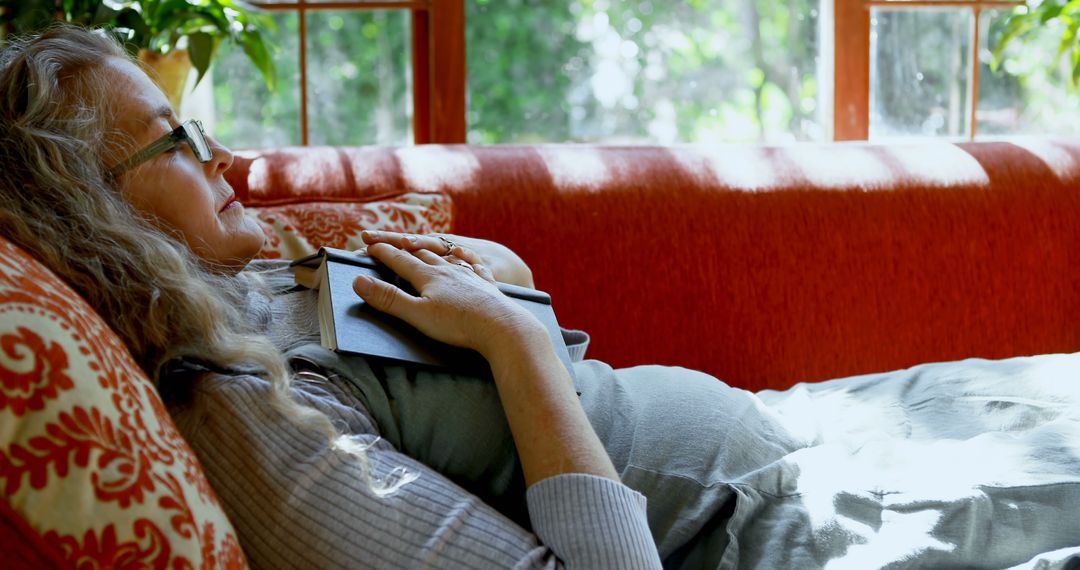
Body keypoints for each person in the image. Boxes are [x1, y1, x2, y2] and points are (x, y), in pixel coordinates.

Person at [4, 25, 1080, 570]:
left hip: (815, 437)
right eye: (179, 140)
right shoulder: (240, 413)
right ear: (90, 213)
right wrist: (513, 346)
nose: (226, 151)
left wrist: (495, 303)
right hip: (769, 524)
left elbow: (500, 269)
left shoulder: (232, 287)